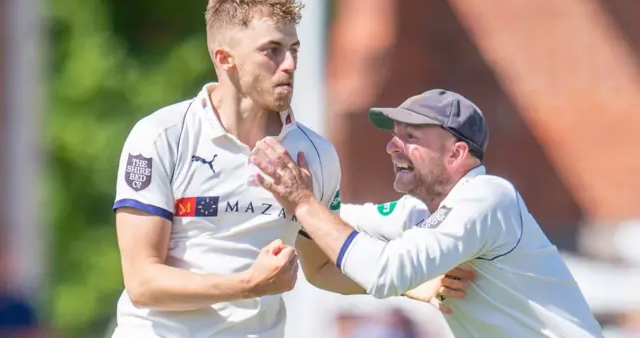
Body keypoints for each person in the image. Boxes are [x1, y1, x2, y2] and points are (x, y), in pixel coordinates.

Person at [111, 0, 469, 337]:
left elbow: (323, 267)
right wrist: (246, 284)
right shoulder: (162, 137)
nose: (291, 64)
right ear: (225, 58)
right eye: (273, 50)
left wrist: (408, 281)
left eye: (294, 49)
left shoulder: (316, 154)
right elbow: (143, 281)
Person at [249, 89, 606, 338]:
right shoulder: (417, 212)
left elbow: (383, 272)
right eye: (394, 135)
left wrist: (304, 202)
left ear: (456, 153)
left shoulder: (487, 197)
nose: (391, 146)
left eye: (411, 136)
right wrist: (280, 199)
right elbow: (331, 230)